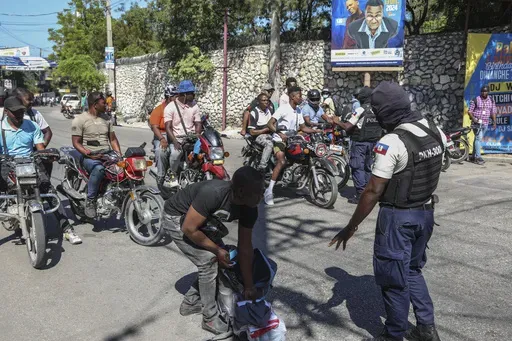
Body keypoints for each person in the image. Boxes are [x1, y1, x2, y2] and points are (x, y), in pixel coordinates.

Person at [329, 81, 445, 341]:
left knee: (393, 280)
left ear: (385, 112)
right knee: (413, 270)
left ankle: (394, 334)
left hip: (397, 217)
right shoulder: (434, 129)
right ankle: (427, 329)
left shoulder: (392, 141)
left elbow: (372, 191)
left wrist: (351, 226)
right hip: (425, 213)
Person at [163, 166, 264, 335]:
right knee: (208, 260)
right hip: (177, 217)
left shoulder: (250, 208)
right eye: (259, 192)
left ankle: (191, 302)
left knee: (228, 258)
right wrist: (217, 251)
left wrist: (249, 286)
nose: (262, 196)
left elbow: (245, 247)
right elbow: (188, 228)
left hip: (202, 222)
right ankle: (209, 318)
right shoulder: (214, 193)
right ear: (241, 191)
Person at [0, 96, 82, 244]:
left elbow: (40, 149)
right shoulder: (0, 128)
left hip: (29, 162)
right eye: (15, 112)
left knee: (48, 191)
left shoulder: (32, 125)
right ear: (6, 112)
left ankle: (67, 229)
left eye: (21, 111)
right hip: (7, 163)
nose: (19, 115)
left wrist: (48, 155)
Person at [265, 86, 320, 205]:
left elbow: (303, 127)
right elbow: (270, 124)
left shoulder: (299, 110)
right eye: (299, 96)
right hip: (280, 140)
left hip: (294, 139)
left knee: (306, 157)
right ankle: (269, 191)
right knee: (282, 161)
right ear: (292, 97)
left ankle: (301, 185)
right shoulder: (283, 109)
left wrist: (316, 131)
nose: (301, 98)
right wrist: (280, 133)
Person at [71, 92, 122, 218]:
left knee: (124, 169)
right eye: (103, 103)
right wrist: (87, 153)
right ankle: (91, 201)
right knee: (99, 169)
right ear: (95, 105)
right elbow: (76, 143)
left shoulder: (107, 119)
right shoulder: (80, 120)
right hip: (89, 156)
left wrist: (119, 155)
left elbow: (113, 140)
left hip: (106, 154)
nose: (106, 105)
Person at [334, 87, 382, 204]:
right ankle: (369, 191)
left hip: (360, 143)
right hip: (374, 143)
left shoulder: (360, 110)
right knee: (368, 167)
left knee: (357, 167)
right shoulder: (378, 109)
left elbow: (347, 126)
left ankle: (361, 194)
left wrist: (336, 121)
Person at [162, 80, 202, 187]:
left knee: (205, 153)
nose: (194, 95)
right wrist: (175, 141)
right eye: (191, 93)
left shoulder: (195, 106)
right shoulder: (170, 107)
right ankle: (172, 174)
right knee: (175, 153)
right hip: (177, 138)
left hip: (192, 138)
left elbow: (198, 123)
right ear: (184, 94)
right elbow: (168, 127)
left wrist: (197, 136)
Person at [149, 85, 177, 183]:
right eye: (175, 96)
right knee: (161, 151)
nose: (177, 98)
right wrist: (162, 139)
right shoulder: (159, 110)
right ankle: (161, 175)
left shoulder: (178, 109)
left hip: (175, 134)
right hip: (162, 135)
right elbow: (154, 127)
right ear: (169, 97)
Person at [468, 85, 497, 165]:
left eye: (486, 91)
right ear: (481, 92)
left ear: (488, 92)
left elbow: (493, 111)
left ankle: (473, 157)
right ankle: (478, 157)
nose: (484, 93)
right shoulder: (476, 99)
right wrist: (474, 119)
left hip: (485, 123)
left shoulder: (491, 100)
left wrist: (494, 122)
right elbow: (470, 111)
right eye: (483, 91)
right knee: (478, 138)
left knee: (477, 139)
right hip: (476, 123)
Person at [247, 93, 274, 171]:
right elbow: (252, 132)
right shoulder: (254, 113)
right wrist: (265, 130)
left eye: (267, 100)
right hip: (258, 137)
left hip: (270, 135)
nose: (266, 102)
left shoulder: (270, 111)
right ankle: (262, 166)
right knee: (269, 144)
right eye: (264, 100)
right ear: (258, 102)